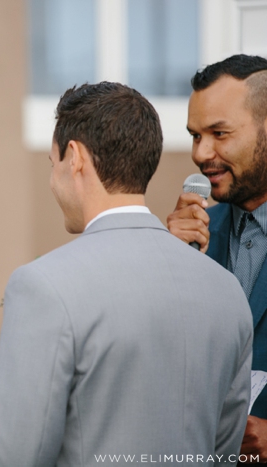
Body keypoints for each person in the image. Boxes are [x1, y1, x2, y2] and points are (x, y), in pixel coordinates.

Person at [0, 82, 253, 466]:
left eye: (52, 163)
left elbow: (16, 457)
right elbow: (226, 448)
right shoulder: (226, 288)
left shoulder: (42, 285)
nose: (53, 180)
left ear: (74, 157)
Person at [167, 54, 267, 461]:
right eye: (194, 135)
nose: (201, 152)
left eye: (219, 133)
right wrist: (163, 263)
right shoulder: (188, 237)